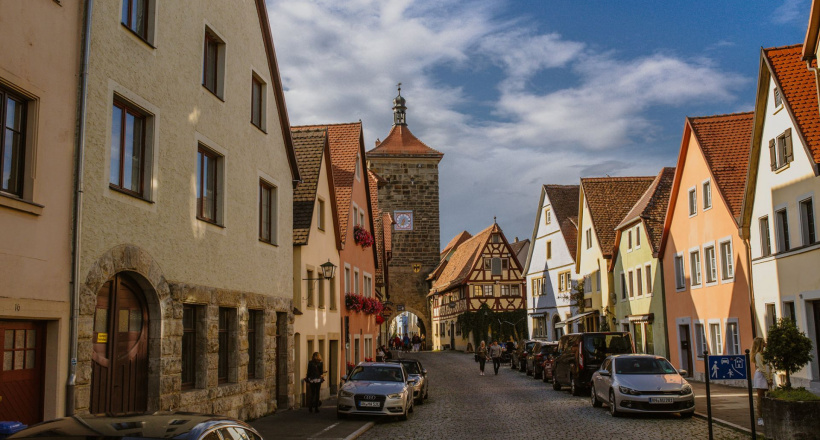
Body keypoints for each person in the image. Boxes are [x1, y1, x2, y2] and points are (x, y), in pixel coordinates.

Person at [752, 337, 773, 426]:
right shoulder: (758, 355)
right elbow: (762, 368)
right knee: (760, 397)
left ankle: (766, 416)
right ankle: (760, 417)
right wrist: (768, 379)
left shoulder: (765, 354)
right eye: (763, 342)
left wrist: (770, 377)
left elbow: (769, 366)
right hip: (760, 376)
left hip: (766, 376)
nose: (765, 343)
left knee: (767, 396)